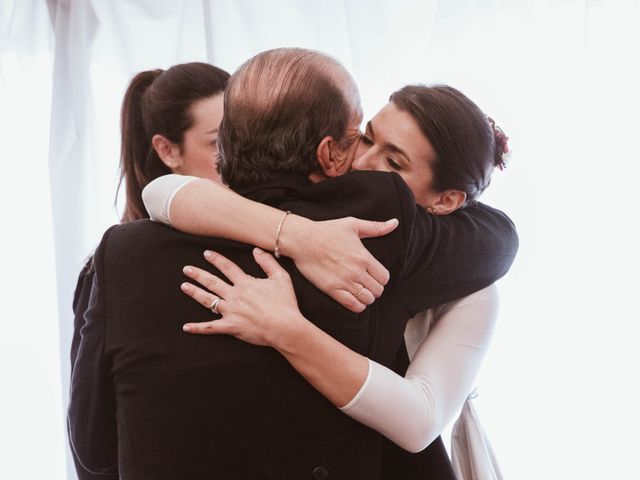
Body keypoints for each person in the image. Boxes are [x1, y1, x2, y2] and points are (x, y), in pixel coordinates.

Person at [69, 47, 517, 480]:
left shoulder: (120, 252)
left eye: (392, 159)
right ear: (328, 153)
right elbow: (499, 237)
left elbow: (94, 450)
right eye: (361, 136)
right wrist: (296, 236)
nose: (364, 160)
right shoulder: (376, 233)